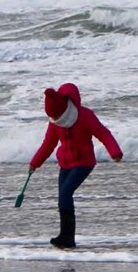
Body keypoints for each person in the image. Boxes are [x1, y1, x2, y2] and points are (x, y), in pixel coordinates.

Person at [29, 82, 123, 249]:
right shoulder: (55, 122)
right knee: (62, 199)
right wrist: (35, 163)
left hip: (83, 162)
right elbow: (48, 144)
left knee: (65, 194)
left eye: (58, 117)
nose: (56, 120)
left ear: (64, 109)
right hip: (65, 163)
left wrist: (115, 152)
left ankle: (66, 237)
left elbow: (103, 133)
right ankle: (67, 237)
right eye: (53, 118)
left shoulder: (85, 116)